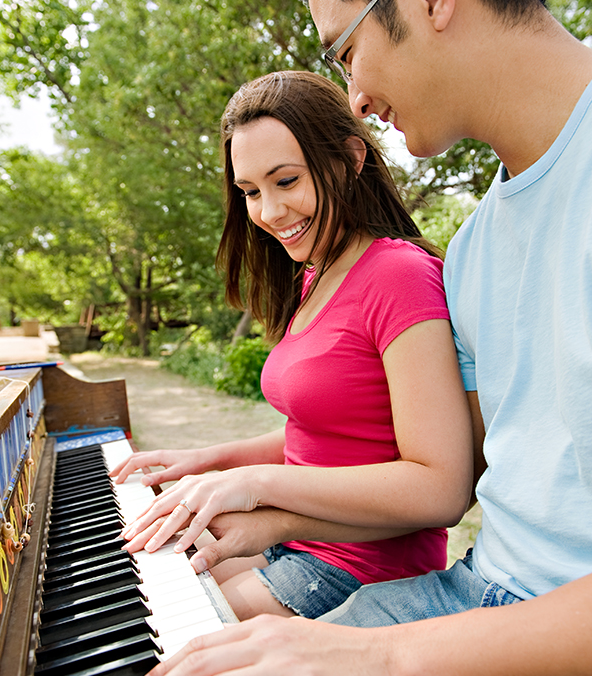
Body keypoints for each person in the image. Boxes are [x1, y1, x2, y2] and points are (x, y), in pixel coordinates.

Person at [123, 0, 592, 676]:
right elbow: (459, 464)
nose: (355, 94)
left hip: (565, 654)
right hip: (472, 592)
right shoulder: (480, 245)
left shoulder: (407, 268)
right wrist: (258, 505)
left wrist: (383, 659)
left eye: (346, 50)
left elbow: (430, 483)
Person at [113, 70, 472, 621]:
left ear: (350, 160)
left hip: (363, 572)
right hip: (298, 545)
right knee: (135, 575)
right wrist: (208, 461)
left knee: (158, 635)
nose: (269, 213)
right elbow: (331, 435)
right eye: (251, 192)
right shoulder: (314, 273)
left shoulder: (399, 275)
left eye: (286, 181)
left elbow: (442, 489)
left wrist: (255, 486)